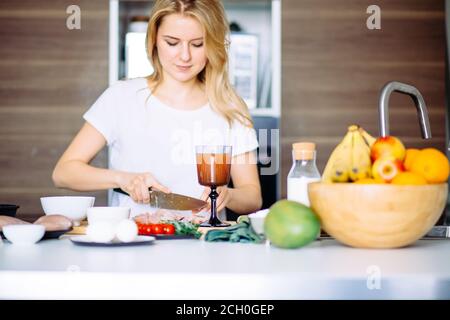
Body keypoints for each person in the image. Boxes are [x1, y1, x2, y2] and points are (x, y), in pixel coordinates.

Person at [52, 0, 262, 219]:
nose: (185, 56)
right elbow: (64, 172)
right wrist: (123, 179)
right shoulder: (122, 97)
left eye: (198, 44)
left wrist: (228, 195)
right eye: (172, 42)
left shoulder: (230, 107)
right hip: (132, 245)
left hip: (206, 245)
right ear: (154, 40)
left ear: (213, 45)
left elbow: (252, 196)